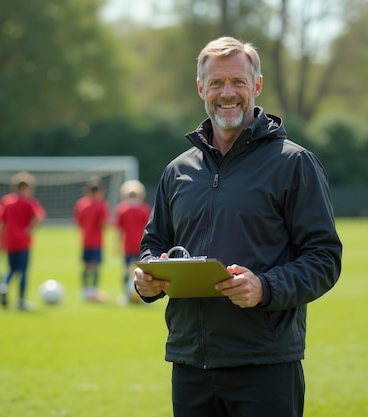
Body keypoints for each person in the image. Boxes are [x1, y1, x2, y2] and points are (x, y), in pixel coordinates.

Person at [134, 37, 343, 417]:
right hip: (190, 364)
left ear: (257, 86)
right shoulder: (177, 170)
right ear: (201, 89)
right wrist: (146, 279)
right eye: (216, 83)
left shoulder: (294, 163)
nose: (226, 93)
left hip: (264, 365)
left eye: (238, 82)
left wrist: (265, 287)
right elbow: (153, 244)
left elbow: (325, 258)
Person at [0, 171, 46, 310]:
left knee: (12, 269)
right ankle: (21, 301)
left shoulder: (7, 201)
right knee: (23, 271)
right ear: (24, 188)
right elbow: (39, 218)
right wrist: (31, 229)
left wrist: (0, 242)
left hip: (10, 241)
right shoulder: (29, 203)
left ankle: (3, 285)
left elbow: (1, 222)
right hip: (23, 242)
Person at [114, 180, 151, 304]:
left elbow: (119, 230)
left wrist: (117, 246)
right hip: (141, 245)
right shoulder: (144, 209)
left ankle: (127, 294)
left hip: (128, 246)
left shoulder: (122, 209)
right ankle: (142, 296)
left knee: (126, 270)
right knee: (142, 272)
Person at [73, 176, 110, 302]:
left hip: (85, 240)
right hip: (96, 241)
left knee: (86, 266)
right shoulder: (101, 205)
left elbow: (78, 222)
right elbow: (103, 223)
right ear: (99, 191)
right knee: (95, 266)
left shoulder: (81, 204)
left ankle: (85, 291)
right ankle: (93, 292)